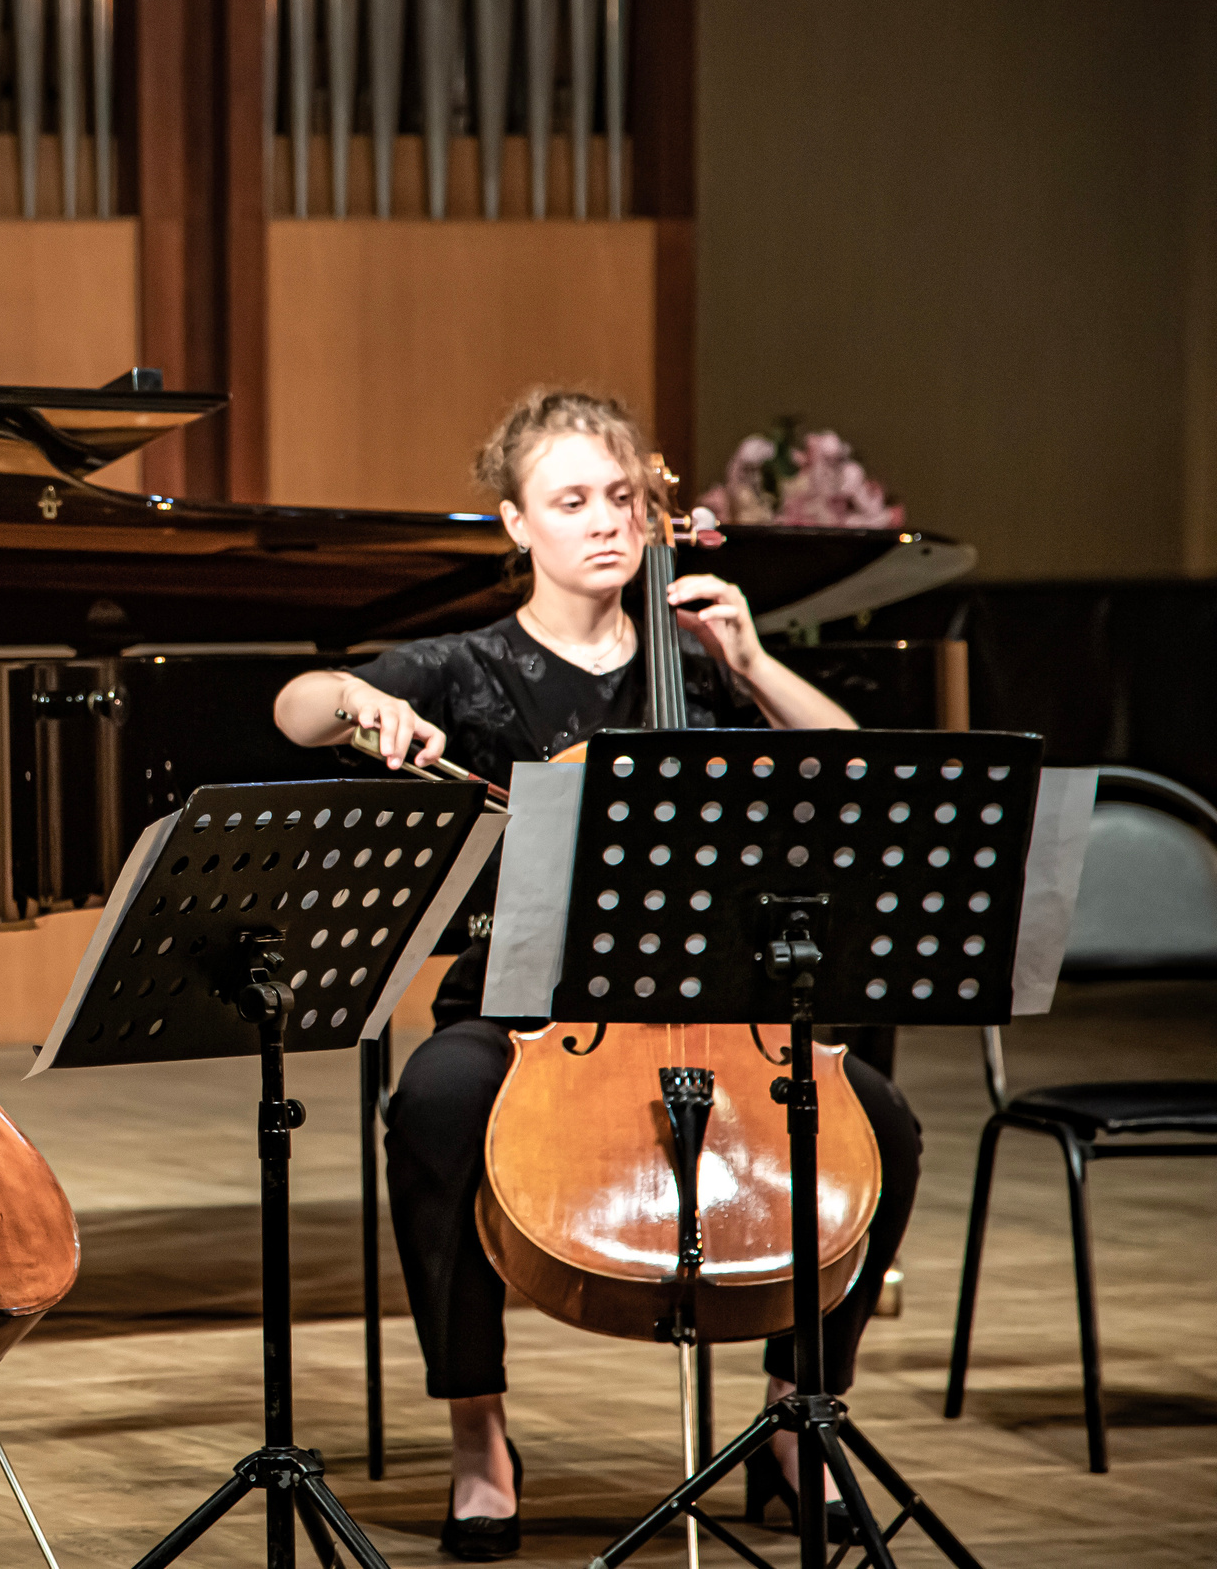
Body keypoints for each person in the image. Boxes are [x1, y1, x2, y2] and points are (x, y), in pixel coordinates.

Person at [274, 391, 921, 1560]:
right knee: (431, 1104)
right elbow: (297, 708)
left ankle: (793, 1419)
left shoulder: (701, 666)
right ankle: (479, 1436)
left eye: (622, 497)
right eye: (571, 500)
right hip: (529, 1012)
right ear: (516, 522)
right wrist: (360, 703)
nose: (606, 522)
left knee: (882, 1122)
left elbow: (849, 770)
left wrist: (753, 659)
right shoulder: (467, 666)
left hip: (716, 1011)